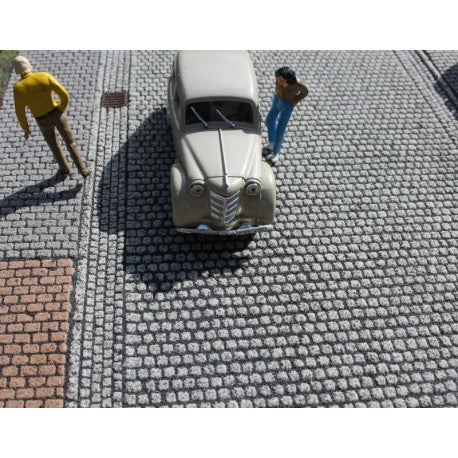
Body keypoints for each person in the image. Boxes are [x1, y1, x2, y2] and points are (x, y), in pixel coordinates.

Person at [12, 56, 91, 178]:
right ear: (28, 65)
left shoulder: (18, 88)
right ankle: (83, 170)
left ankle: (64, 169)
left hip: (42, 120)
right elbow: (64, 94)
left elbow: (20, 112)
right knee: (71, 142)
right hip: (57, 114)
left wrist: (26, 129)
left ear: (16, 70)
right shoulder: (44, 76)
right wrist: (60, 108)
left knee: (54, 146)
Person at [264, 66, 308, 163]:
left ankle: (276, 152)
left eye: (281, 79)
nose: (278, 80)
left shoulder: (297, 84)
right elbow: (277, 83)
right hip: (277, 100)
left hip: (287, 105)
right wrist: (276, 93)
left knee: (280, 130)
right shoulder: (278, 77)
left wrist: (294, 101)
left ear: (287, 79)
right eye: (278, 78)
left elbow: (305, 92)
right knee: (269, 121)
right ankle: (271, 142)